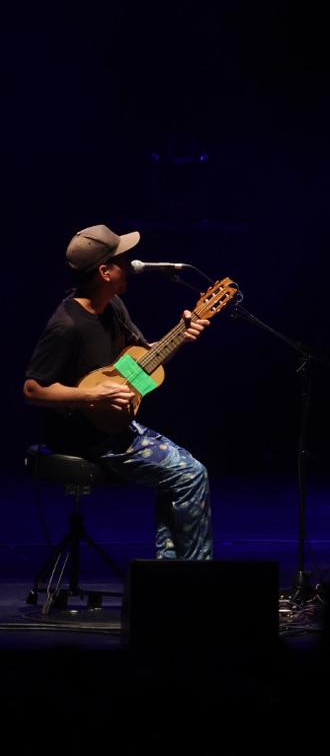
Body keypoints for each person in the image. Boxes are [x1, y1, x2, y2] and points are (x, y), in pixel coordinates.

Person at [23, 224, 214, 560]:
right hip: (82, 435)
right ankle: (197, 576)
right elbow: (34, 389)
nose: (129, 266)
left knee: (183, 475)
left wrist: (181, 336)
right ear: (104, 271)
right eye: (121, 260)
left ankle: (170, 579)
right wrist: (93, 396)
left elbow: (141, 363)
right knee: (190, 474)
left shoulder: (114, 308)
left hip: (112, 425)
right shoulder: (66, 326)